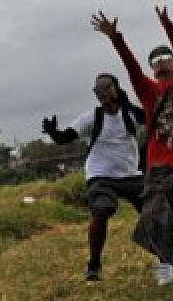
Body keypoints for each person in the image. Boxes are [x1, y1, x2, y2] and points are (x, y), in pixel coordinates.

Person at [92, 6, 173, 286]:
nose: (161, 62)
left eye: (166, 58)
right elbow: (130, 67)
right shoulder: (148, 91)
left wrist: (169, 27)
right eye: (156, 60)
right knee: (154, 216)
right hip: (159, 165)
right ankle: (166, 263)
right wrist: (117, 38)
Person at [43, 73, 145, 281]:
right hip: (101, 174)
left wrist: (125, 103)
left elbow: (153, 119)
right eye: (98, 90)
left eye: (107, 87)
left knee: (152, 210)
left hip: (130, 174)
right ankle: (94, 263)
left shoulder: (131, 114)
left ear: (117, 88)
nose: (103, 92)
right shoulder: (92, 117)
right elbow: (67, 137)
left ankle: (167, 257)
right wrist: (54, 133)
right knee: (102, 209)